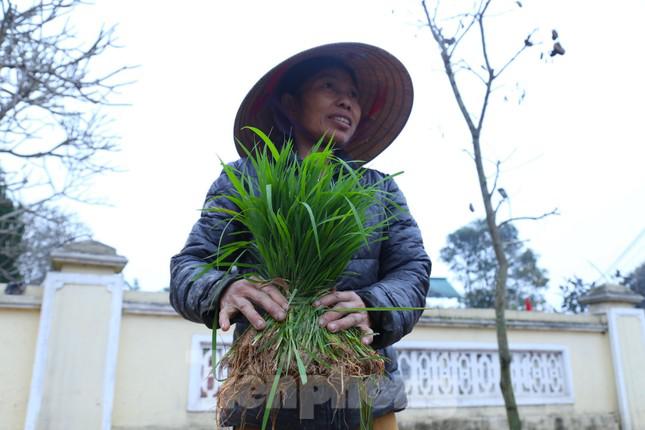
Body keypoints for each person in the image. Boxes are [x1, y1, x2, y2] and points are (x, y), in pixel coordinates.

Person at [170, 42, 431, 430]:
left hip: (365, 398)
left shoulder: (379, 189)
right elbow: (188, 267)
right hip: (265, 397)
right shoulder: (245, 179)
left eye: (355, 96)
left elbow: (412, 270)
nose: (347, 102)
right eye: (329, 86)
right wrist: (223, 290)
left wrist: (373, 306)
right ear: (290, 104)